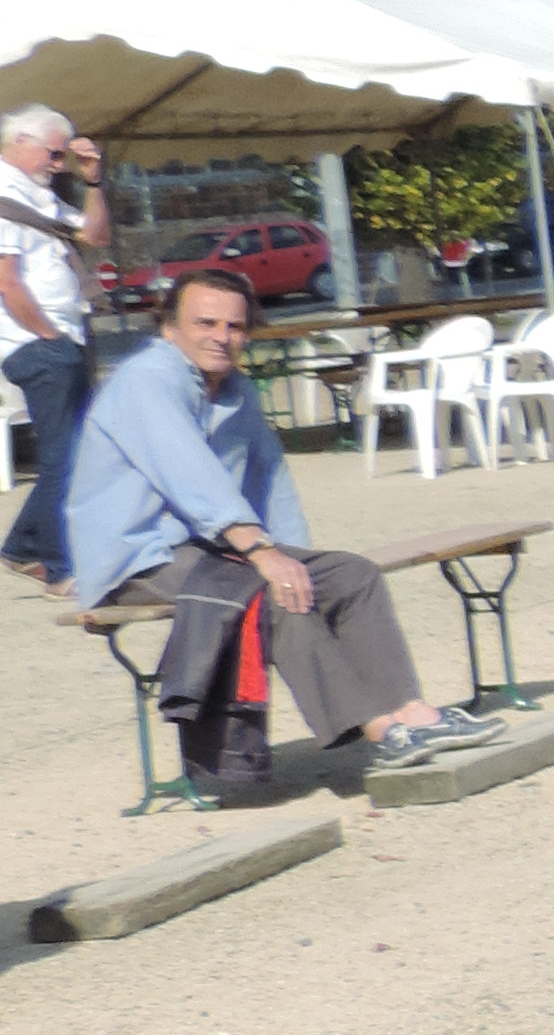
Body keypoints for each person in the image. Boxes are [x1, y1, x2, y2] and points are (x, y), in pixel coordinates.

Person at [62, 266, 503, 776]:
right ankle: (381, 731)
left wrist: (293, 557)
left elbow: (268, 480)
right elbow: (189, 472)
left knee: (351, 574)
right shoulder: (146, 380)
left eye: (235, 326)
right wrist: (263, 556)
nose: (222, 338)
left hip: (205, 548)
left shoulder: (234, 389)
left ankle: (410, 712)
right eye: (206, 323)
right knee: (268, 592)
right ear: (169, 327)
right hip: (137, 556)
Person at [0, 104, 114, 588]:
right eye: (54, 153)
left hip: (61, 337)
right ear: (20, 142)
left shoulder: (37, 196)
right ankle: (59, 565)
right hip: (35, 342)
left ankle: (24, 547)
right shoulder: (5, 195)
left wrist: (93, 183)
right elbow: (6, 282)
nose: (59, 163)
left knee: (77, 450)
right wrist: (48, 335)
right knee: (64, 454)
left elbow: (94, 235)